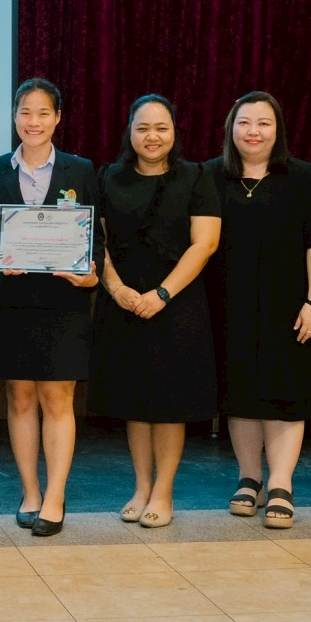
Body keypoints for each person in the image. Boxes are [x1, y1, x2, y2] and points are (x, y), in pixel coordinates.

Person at [89, 95, 221, 529]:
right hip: (125, 303)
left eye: (161, 128)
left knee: (168, 404)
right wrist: (116, 289)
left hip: (176, 305)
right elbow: (96, 241)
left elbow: (206, 243)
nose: (152, 136)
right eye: (143, 128)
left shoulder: (196, 177)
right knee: (135, 401)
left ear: (175, 132)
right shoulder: (108, 177)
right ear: (129, 131)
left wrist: (162, 294)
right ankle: (141, 487)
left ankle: (163, 492)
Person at [206, 92, 311, 531]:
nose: (254, 132)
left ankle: (281, 482)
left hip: (289, 305)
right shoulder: (211, 176)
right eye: (245, 122)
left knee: (285, 393)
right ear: (231, 128)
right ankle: (249, 478)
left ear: (278, 130)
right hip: (228, 304)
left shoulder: (302, 177)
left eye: (264, 123)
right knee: (240, 393)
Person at [0, 78, 100, 538]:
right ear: (14, 117)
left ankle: (55, 495)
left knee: (57, 399)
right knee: (19, 398)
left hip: (63, 302)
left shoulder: (80, 169)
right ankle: (30, 492)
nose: (33, 122)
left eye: (43, 113)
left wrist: (91, 272)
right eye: (25, 113)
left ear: (58, 118)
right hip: (12, 302)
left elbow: (94, 236)